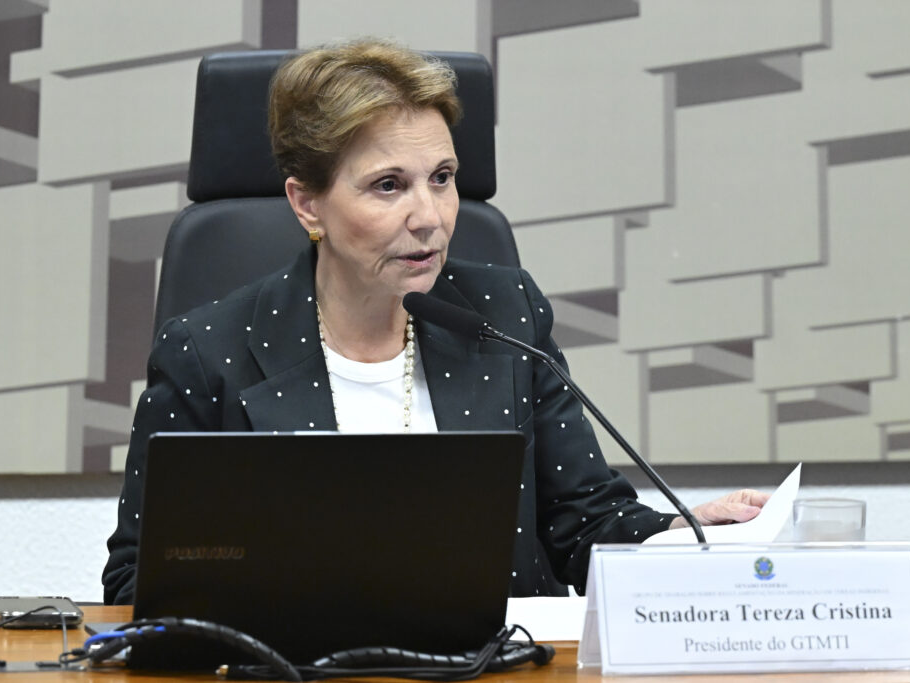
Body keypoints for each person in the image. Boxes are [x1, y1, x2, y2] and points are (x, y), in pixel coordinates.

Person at [102, 39, 767, 605]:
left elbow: (584, 523)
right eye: (388, 185)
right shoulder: (208, 353)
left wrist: (678, 534)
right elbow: (138, 582)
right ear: (307, 205)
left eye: (442, 177)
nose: (430, 216)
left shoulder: (505, 315)